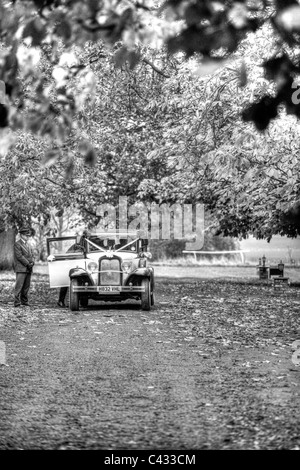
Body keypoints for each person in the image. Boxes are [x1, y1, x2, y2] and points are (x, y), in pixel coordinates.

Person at [57, 230, 89, 308]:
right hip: (75, 266)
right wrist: (79, 253)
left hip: (88, 267)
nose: (88, 238)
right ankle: (61, 300)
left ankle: (83, 300)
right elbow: (68, 254)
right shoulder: (77, 245)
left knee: (84, 282)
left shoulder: (93, 245)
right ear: (84, 237)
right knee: (66, 282)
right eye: (87, 236)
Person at [14, 227, 35, 308]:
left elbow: (32, 255)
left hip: (28, 268)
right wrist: (27, 263)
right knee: (19, 286)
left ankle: (24, 301)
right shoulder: (17, 244)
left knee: (26, 286)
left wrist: (33, 262)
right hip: (21, 268)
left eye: (28, 236)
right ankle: (16, 302)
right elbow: (19, 256)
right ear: (21, 235)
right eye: (26, 235)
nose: (28, 237)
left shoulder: (28, 245)